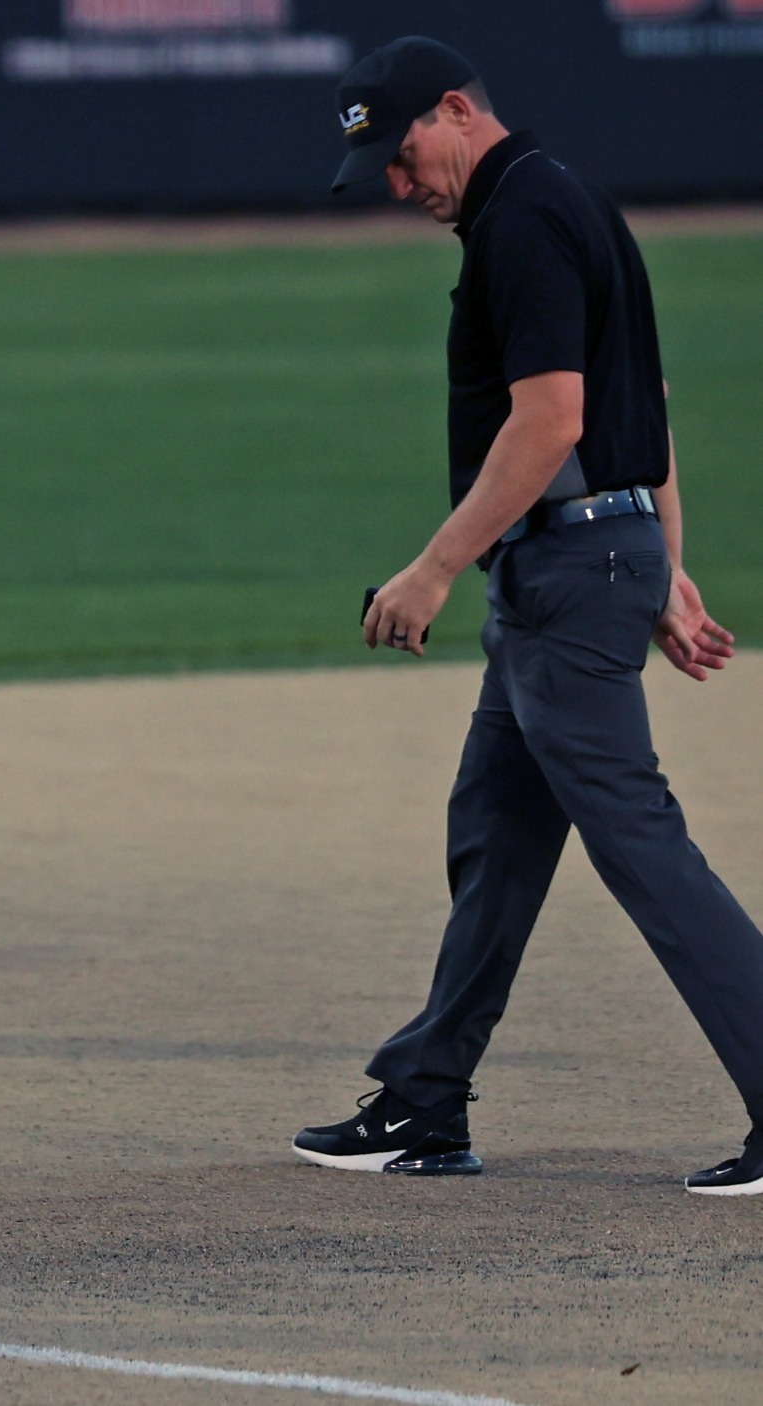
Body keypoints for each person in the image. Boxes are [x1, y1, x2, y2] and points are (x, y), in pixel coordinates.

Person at [293, 36, 763, 1197]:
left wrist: (433, 566)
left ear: (456, 110)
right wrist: (663, 561)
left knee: (638, 842)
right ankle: (426, 1097)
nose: (398, 188)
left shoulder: (521, 220)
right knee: (497, 838)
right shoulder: (562, 199)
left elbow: (554, 419)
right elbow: (637, 404)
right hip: (583, 567)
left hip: (563, 577)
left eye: (402, 157)